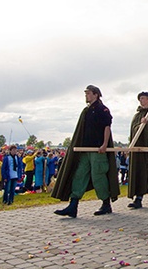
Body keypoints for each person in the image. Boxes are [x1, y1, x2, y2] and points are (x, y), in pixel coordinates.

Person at [52, 85, 120, 217]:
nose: (86, 96)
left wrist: (105, 144)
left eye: (88, 93)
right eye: (86, 94)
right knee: (79, 175)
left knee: (98, 177)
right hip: (85, 150)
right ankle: (73, 206)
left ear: (96, 94)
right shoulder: (86, 110)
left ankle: (106, 204)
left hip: (97, 150)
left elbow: (107, 127)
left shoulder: (102, 109)